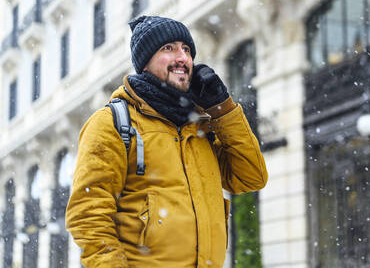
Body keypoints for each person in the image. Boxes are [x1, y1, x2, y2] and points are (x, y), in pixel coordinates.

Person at [65, 16, 268, 268]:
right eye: (168, 48)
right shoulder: (112, 123)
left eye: (186, 49)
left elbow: (252, 177)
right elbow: (88, 214)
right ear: (145, 64)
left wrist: (222, 107)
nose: (181, 57)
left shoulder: (200, 127)